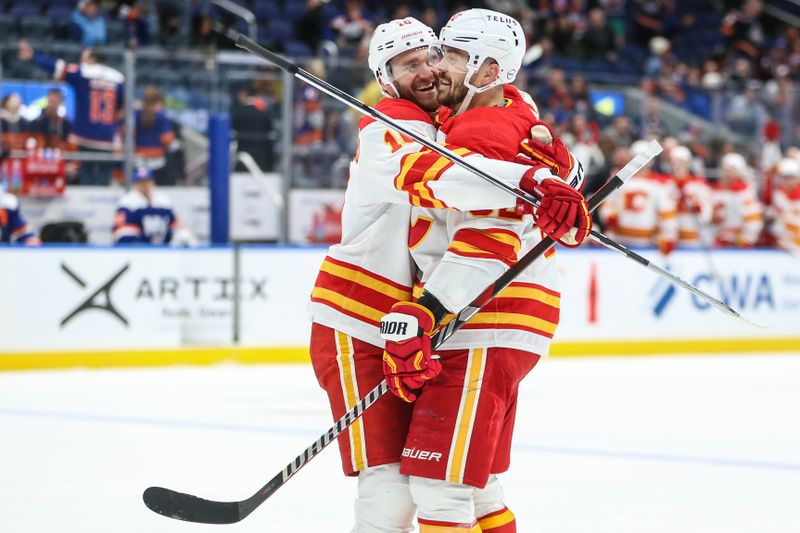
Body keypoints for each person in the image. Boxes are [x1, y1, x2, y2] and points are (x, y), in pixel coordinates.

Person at [307, 16, 588, 533]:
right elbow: (437, 179)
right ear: (384, 78)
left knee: (449, 481)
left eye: (436, 56)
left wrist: (560, 172)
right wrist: (535, 180)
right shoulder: (389, 126)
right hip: (359, 318)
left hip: (440, 316)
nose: (429, 70)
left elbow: (502, 154)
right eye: (408, 64)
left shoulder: (472, 119)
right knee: (400, 489)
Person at [19, 40, 124, 185]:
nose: (82, 59)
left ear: (92, 59)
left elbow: (57, 67)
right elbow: (122, 109)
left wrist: (34, 57)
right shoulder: (118, 78)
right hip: (106, 137)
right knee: (103, 179)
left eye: (84, 56)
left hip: (84, 134)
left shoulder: (84, 72)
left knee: (85, 177)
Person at [600, 140, 679, 256]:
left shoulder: (660, 183)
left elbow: (667, 213)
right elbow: (607, 202)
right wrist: (609, 215)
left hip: (647, 243)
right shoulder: (618, 177)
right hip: (617, 239)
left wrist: (668, 237)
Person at [112, 167, 194, 245]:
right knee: (126, 238)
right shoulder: (127, 202)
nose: (144, 185)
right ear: (135, 184)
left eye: (147, 181)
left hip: (163, 245)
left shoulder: (163, 200)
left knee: (184, 236)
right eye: (141, 182)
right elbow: (122, 230)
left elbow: (174, 224)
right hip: (138, 247)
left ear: (152, 182)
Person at [709, 152, 764, 248]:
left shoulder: (744, 193)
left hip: (737, 240)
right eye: (726, 169)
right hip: (716, 239)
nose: (728, 173)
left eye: (732, 170)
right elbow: (707, 216)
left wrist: (747, 238)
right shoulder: (713, 191)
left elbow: (753, 219)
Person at [669, 145, 713, 248]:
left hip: (692, 236)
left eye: (681, 161)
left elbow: (707, 212)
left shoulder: (699, 184)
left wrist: (699, 210)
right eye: (675, 161)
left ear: (687, 163)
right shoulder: (665, 183)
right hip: (670, 236)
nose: (678, 165)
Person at [134, 86, 176, 179]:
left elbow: (127, 134)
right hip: (157, 160)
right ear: (159, 102)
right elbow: (167, 139)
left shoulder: (136, 114)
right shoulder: (162, 116)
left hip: (137, 159)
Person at [767, 157, 799, 251]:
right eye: (786, 178)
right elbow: (776, 218)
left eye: (792, 177)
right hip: (782, 243)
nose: (789, 181)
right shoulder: (778, 195)